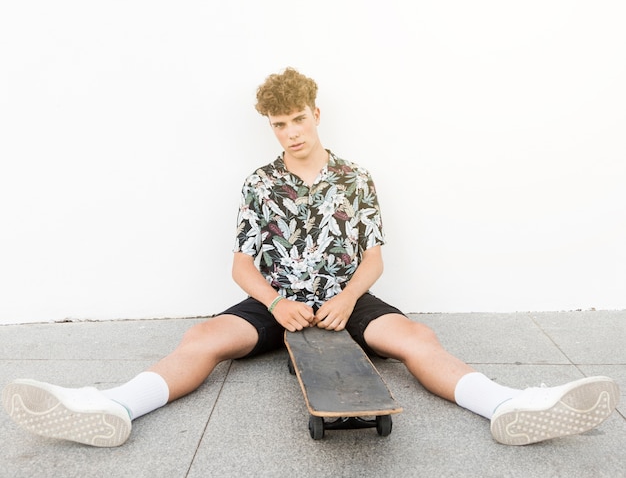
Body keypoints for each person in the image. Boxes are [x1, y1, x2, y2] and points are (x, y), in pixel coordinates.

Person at [2, 68, 620, 448]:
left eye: (299, 119)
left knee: (415, 336)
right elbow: (241, 266)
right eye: (279, 124)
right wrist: (275, 302)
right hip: (279, 303)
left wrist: (349, 299)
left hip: (343, 299)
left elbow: (373, 257)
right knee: (202, 338)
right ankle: (112, 405)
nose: (291, 131)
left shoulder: (356, 178)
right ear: (270, 128)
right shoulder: (259, 182)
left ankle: (510, 404)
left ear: (316, 114)